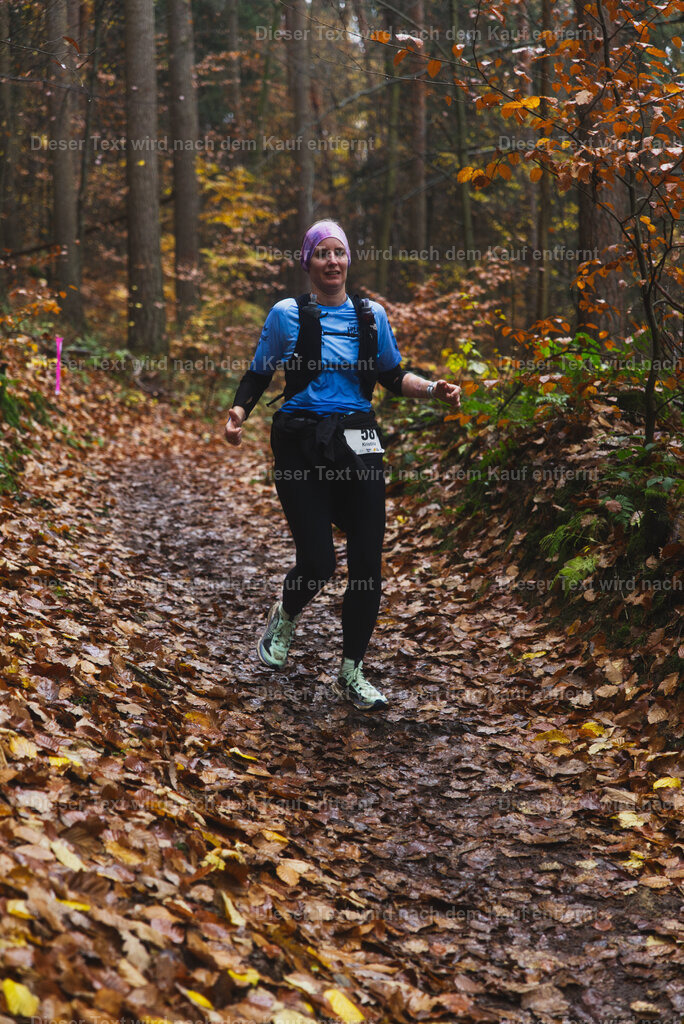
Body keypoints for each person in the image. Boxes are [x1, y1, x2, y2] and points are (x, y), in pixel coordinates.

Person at [225, 219, 461, 711]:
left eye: (339, 252)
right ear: (308, 262)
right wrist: (239, 413)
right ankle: (285, 615)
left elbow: (392, 375)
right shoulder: (287, 315)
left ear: (349, 260)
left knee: (367, 565)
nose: (332, 261)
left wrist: (432, 389)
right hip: (300, 441)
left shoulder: (372, 316)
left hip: (358, 439)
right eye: (322, 253)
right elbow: (259, 373)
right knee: (318, 561)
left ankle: (351, 672)